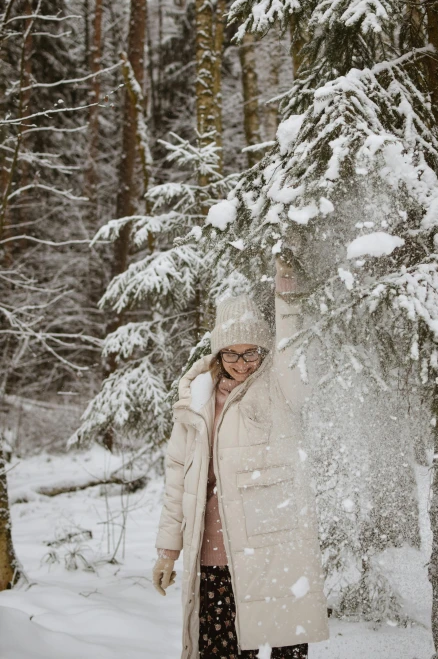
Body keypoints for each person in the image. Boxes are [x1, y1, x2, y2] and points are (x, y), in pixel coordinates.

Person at [152, 252, 328, 659]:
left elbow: (291, 336)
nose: (242, 363)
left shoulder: (280, 387)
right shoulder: (195, 401)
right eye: (231, 353)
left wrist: (287, 286)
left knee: (286, 650)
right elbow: (178, 478)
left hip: (274, 552)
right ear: (217, 355)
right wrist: (167, 551)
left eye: (253, 353)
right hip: (213, 555)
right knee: (220, 653)